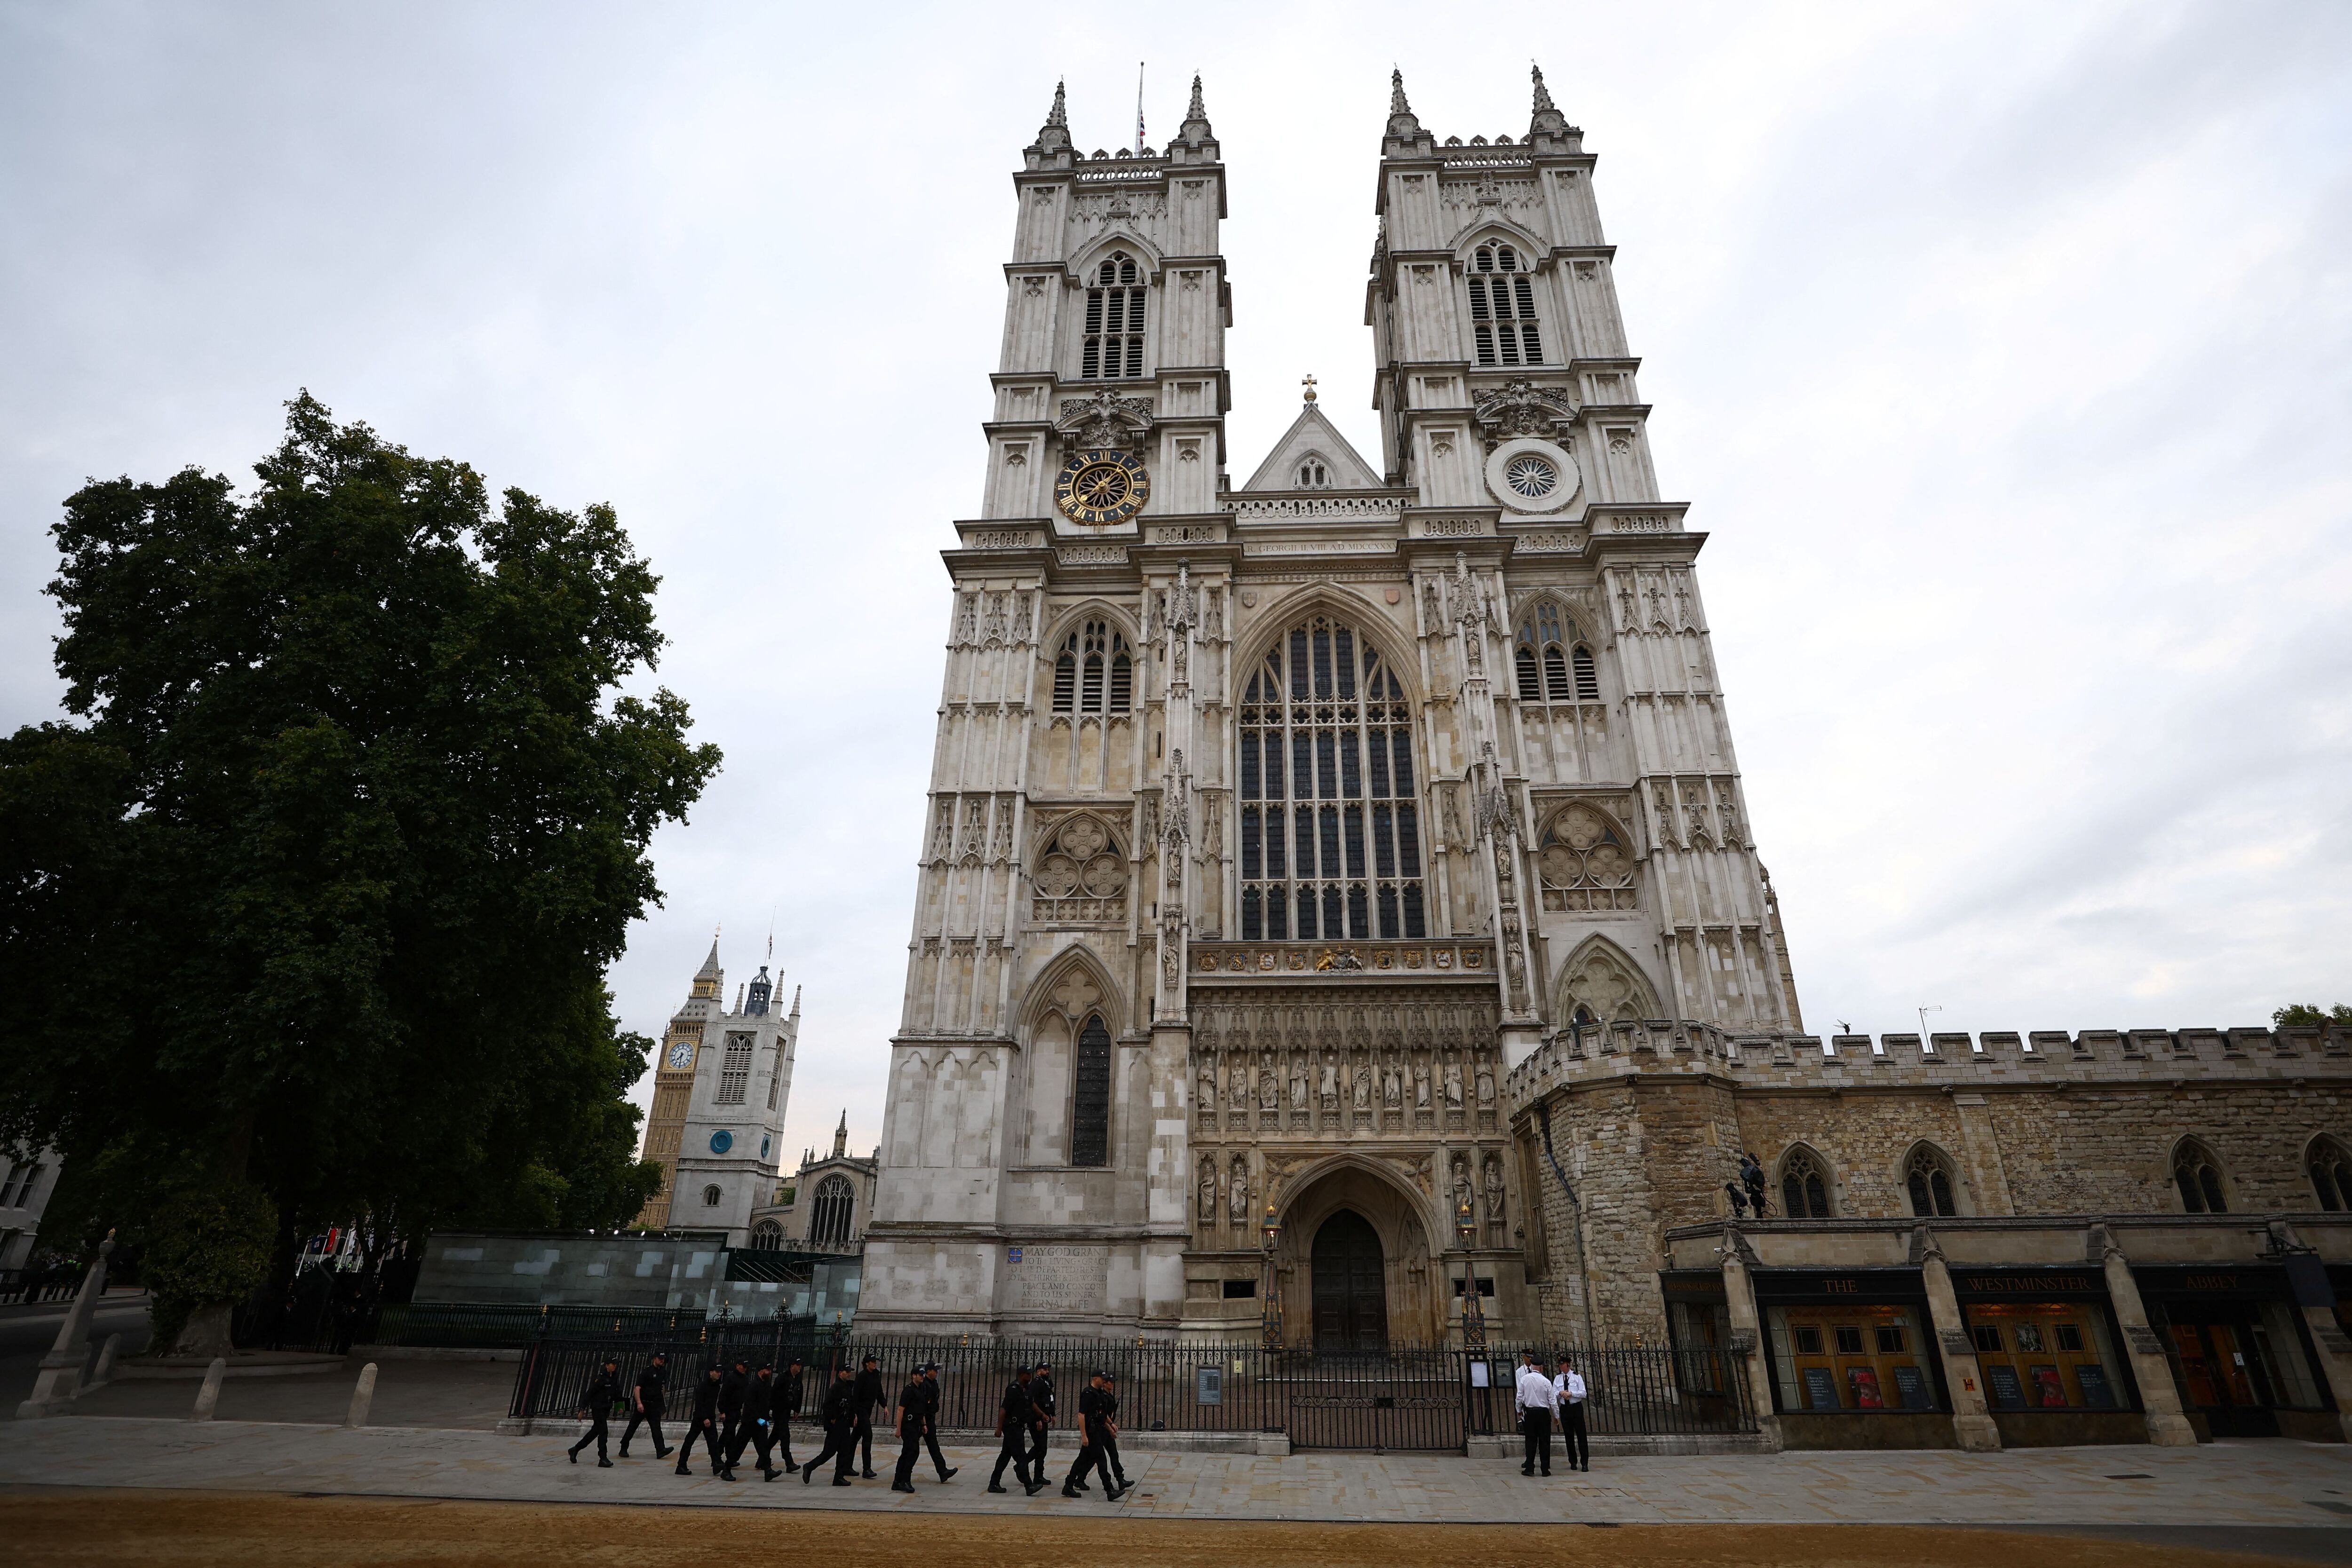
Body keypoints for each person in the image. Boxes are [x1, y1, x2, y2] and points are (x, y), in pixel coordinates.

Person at [1061, 1370, 1124, 1501]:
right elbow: (1081, 1415)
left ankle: (1068, 1485)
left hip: (1096, 1430)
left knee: (1081, 1460)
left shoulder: (1099, 1394)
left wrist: (1110, 1424)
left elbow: (1101, 1415)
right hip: (1091, 1433)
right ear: (1096, 1379)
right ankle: (1109, 1490)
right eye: (1103, 1378)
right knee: (1102, 1461)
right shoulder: (1088, 1394)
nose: (1104, 1381)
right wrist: (1084, 1436)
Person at [987, 1364, 1046, 1495]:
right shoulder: (1013, 1389)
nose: (1030, 1376)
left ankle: (994, 1483)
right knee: (1021, 1457)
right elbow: (1004, 1410)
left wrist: (1041, 1415)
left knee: (1005, 1456)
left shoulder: (1026, 1389)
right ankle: (1028, 1485)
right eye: (1028, 1374)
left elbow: (1032, 1404)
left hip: (1019, 1427)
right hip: (1012, 1427)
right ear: (1021, 1375)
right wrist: (999, 1429)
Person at [805, 1364, 859, 1486]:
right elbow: (827, 1405)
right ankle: (809, 1467)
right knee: (829, 1452)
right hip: (836, 1425)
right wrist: (832, 1418)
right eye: (847, 1372)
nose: (849, 1374)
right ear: (841, 1373)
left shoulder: (847, 1387)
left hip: (844, 1424)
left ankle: (839, 1477)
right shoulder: (836, 1388)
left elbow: (849, 1405)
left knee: (845, 1451)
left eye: (850, 1372)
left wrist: (853, 1416)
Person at [676, 1364, 732, 1478]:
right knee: (690, 1440)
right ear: (711, 1372)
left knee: (713, 1441)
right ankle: (681, 1465)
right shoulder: (703, 1386)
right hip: (700, 1418)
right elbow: (700, 1404)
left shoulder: (716, 1386)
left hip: (710, 1417)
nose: (719, 1374)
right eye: (717, 1372)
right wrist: (704, 1418)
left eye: (720, 1372)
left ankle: (716, 1462)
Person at [567, 1356, 620, 1467]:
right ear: (607, 1365)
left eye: (615, 1364)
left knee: (595, 1432)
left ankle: (575, 1449)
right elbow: (590, 1393)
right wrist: (582, 1409)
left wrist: (621, 1406)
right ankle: (603, 1458)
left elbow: (618, 1392)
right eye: (612, 1364)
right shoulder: (601, 1378)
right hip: (598, 1408)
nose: (614, 1366)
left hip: (606, 1408)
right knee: (604, 1431)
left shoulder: (615, 1377)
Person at [618, 1352, 670, 1459]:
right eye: (660, 1359)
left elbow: (662, 1387)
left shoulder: (663, 1371)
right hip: (644, 1404)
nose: (662, 1361)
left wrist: (662, 1401)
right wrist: (639, 1403)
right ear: (654, 1359)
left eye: (663, 1359)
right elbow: (637, 1388)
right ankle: (624, 1446)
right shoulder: (647, 1372)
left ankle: (660, 1450)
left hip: (654, 1405)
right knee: (633, 1426)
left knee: (656, 1429)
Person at [1514, 1352, 1557, 1477]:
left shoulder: (1525, 1379)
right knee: (1544, 1441)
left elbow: (1519, 1397)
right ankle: (1545, 1469)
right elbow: (1553, 1401)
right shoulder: (1546, 1381)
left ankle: (1530, 1467)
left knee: (1531, 1441)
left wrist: (1519, 1410)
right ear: (1541, 1367)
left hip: (1530, 1413)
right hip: (1544, 1413)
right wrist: (1556, 1416)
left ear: (1532, 1366)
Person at [889, 1364, 930, 1493]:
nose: (922, 1377)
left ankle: (898, 1481)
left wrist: (924, 1424)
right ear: (914, 1376)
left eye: (923, 1375)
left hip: (917, 1425)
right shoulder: (908, 1391)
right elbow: (901, 1410)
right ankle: (905, 1480)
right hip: (908, 1426)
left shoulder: (921, 1389)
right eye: (920, 1375)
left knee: (907, 1453)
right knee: (913, 1452)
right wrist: (898, 1429)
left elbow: (921, 1409)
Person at [916, 1362, 958, 1482]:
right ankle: (903, 1470)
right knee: (911, 1447)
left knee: (934, 1446)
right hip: (921, 1420)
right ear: (928, 1371)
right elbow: (922, 1403)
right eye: (935, 1370)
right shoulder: (924, 1385)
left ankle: (943, 1471)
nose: (937, 1372)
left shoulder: (934, 1384)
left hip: (930, 1419)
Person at [852, 1354, 887, 1479]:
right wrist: (854, 1413)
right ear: (867, 1363)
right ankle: (867, 1469)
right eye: (872, 1362)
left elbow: (879, 1391)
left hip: (868, 1409)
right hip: (861, 1409)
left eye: (875, 1361)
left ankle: (846, 1465)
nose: (875, 1363)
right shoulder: (862, 1376)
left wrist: (885, 1405)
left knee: (855, 1438)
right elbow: (855, 1395)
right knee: (868, 1436)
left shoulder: (876, 1375)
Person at [1554, 1354, 1590, 1473]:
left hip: (1576, 1408)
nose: (1561, 1367)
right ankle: (1573, 1461)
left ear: (1568, 1365)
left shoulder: (1577, 1377)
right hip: (1565, 1409)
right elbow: (1553, 1393)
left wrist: (1571, 1393)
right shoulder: (1558, 1378)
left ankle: (1584, 1462)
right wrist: (1560, 1393)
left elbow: (1583, 1393)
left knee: (1581, 1435)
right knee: (1568, 1437)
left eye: (1563, 1365)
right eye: (1560, 1365)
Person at [770, 1356, 804, 1476]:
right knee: (785, 1436)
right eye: (798, 1365)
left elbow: (800, 1393)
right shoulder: (782, 1378)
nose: (800, 1367)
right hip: (779, 1411)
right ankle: (789, 1463)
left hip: (787, 1411)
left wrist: (797, 1409)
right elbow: (774, 1394)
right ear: (792, 1366)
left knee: (774, 1437)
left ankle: (762, 1458)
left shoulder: (798, 1378)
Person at [1097, 1370, 1129, 1492]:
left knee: (1114, 1454)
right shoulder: (1102, 1397)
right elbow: (1103, 1415)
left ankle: (1120, 1480)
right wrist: (1110, 1426)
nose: (1113, 1384)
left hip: (1106, 1429)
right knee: (1088, 1458)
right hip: (1102, 1430)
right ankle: (1075, 1480)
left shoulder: (1108, 1396)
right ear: (1105, 1384)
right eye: (1111, 1382)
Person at [718, 1358, 752, 1471]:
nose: (745, 1369)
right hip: (729, 1410)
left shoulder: (745, 1379)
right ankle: (726, 1457)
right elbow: (723, 1395)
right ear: (738, 1366)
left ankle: (720, 1454)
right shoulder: (731, 1378)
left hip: (737, 1409)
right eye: (743, 1366)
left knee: (728, 1434)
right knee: (729, 1434)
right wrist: (722, 1411)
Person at [1027, 1360, 1058, 1481]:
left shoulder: (1047, 1382)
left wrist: (1053, 1414)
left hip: (1045, 1417)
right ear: (1038, 1371)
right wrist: (1038, 1419)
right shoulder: (1036, 1384)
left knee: (1042, 1449)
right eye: (1045, 1370)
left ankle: (1039, 1475)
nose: (1047, 1371)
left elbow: (1050, 1399)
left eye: (1048, 1369)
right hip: (1037, 1420)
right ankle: (1021, 1465)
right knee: (1040, 1447)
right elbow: (1032, 1403)